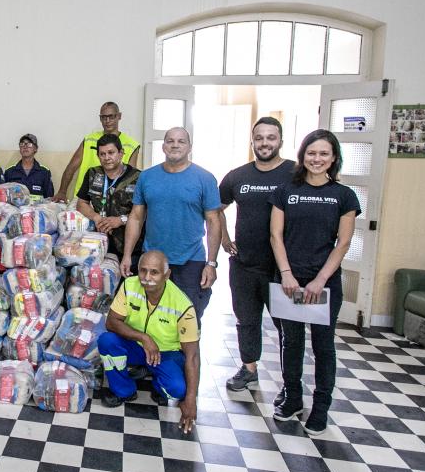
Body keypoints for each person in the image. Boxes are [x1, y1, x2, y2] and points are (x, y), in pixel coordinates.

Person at [269, 129, 360, 436]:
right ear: (302, 156)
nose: (317, 159)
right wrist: (286, 274)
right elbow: (275, 235)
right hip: (290, 282)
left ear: (334, 158)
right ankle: (292, 397)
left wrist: (320, 280)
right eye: (311, 153)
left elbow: (343, 243)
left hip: (324, 284)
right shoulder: (286, 191)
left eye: (323, 154)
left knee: (323, 346)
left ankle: (320, 407)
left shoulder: (344, 196)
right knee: (291, 342)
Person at [219, 117, 295, 394]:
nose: (264, 143)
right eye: (259, 137)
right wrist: (225, 240)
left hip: (282, 268)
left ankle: (291, 381)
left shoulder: (294, 174)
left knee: (288, 326)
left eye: (271, 137)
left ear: (280, 142)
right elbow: (215, 209)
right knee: (246, 320)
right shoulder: (238, 176)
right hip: (245, 265)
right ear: (252, 141)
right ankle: (249, 369)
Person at [121, 127, 221, 321]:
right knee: (148, 318)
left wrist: (211, 263)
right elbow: (136, 217)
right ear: (163, 146)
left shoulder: (205, 179)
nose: (175, 145)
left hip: (191, 262)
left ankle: (188, 354)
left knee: (188, 321)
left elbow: (213, 221)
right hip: (152, 261)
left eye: (181, 141)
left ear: (189, 147)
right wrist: (126, 255)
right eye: (170, 141)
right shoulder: (147, 177)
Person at [98, 251, 200, 434]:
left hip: (167, 354)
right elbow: (111, 322)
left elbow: (192, 356)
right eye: (143, 271)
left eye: (154, 272)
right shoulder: (130, 286)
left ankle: (157, 383)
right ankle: (124, 390)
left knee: (178, 390)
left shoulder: (183, 305)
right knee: (107, 341)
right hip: (137, 346)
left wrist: (191, 400)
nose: (147, 278)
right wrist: (144, 338)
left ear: (167, 275)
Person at [76, 134, 141, 268]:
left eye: (111, 153)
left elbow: (144, 213)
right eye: (102, 154)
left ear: (121, 153)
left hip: (130, 248)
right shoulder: (93, 174)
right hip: (99, 245)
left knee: (125, 286)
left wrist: (120, 220)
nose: (107, 158)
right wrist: (96, 217)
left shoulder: (138, 177)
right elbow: (82, 203)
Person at [55, 102, 141, 202]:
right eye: (103, 117)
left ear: (119, 116)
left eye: (111, 116)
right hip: (84, 198)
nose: (107, 121)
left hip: (114, 201)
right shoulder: (89, 140)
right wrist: (62, 191)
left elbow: (131, 177)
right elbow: (71, 167)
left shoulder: (131, 144)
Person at [3, 133, 55, 200]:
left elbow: (49, 197)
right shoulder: (10, 171)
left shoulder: (44, 172)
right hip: (15, 209)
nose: (25, 146)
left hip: (37, 209)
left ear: (35, 149)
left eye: (29, 144)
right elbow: (4, 196)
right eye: (22, 144)